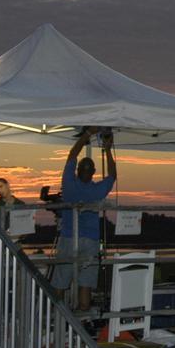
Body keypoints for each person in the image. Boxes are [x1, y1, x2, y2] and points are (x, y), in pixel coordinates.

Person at [51, 127, 117, 311]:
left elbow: (72, 155)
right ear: (94, 172)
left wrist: (86, 135)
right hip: (90, 240)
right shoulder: (97, 190)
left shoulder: (69, 185)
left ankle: (58, 317)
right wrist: (108, 151)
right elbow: (112, 175)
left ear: (78, 170)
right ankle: (81, 319)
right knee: (85, 282)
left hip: (68, 238)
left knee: (61, 279)